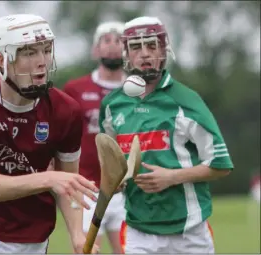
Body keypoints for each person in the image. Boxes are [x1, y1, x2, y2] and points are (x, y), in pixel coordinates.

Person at [0, 14, 99, 254]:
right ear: (2, 59)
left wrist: (77, 234)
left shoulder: (66, 110)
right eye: (29, 53)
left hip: (30, 241)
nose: (42, 61)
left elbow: (70, 187)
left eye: (46, 50)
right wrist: (49, 179)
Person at [99, 16, 234, 254]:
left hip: (189, 233)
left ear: (164, 50)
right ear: (126, 54)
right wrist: (116, 179)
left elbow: (221, 164)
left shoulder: (186, 100)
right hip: (138, 232)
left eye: (152, 46)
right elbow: (111, 160)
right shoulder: (112, 105)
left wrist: (172, 177)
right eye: (136, 47)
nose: (145, 54)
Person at [62, 21, 127, 253]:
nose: (112, 46)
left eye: (119, 40)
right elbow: (62, 138)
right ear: (95, 49)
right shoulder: (75, 89)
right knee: (87, 251)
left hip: (125, 191)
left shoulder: (136, 90)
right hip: (86, 188)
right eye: (106, 41)